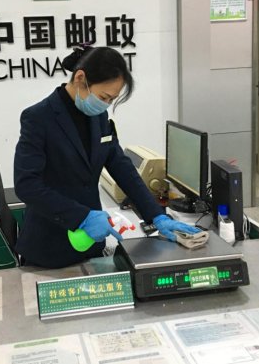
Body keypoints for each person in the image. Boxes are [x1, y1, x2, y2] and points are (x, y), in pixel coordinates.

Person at [14, 46, 199, 268]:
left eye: (112, 99)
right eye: (104, 97)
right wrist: (81, 217)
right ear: (80, 79)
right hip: (50, 245)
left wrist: (156, 215)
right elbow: (27, 185)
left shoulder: (98, 116)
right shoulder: (38, 117)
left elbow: (121, 166)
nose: (106, 105)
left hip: (92, 243)